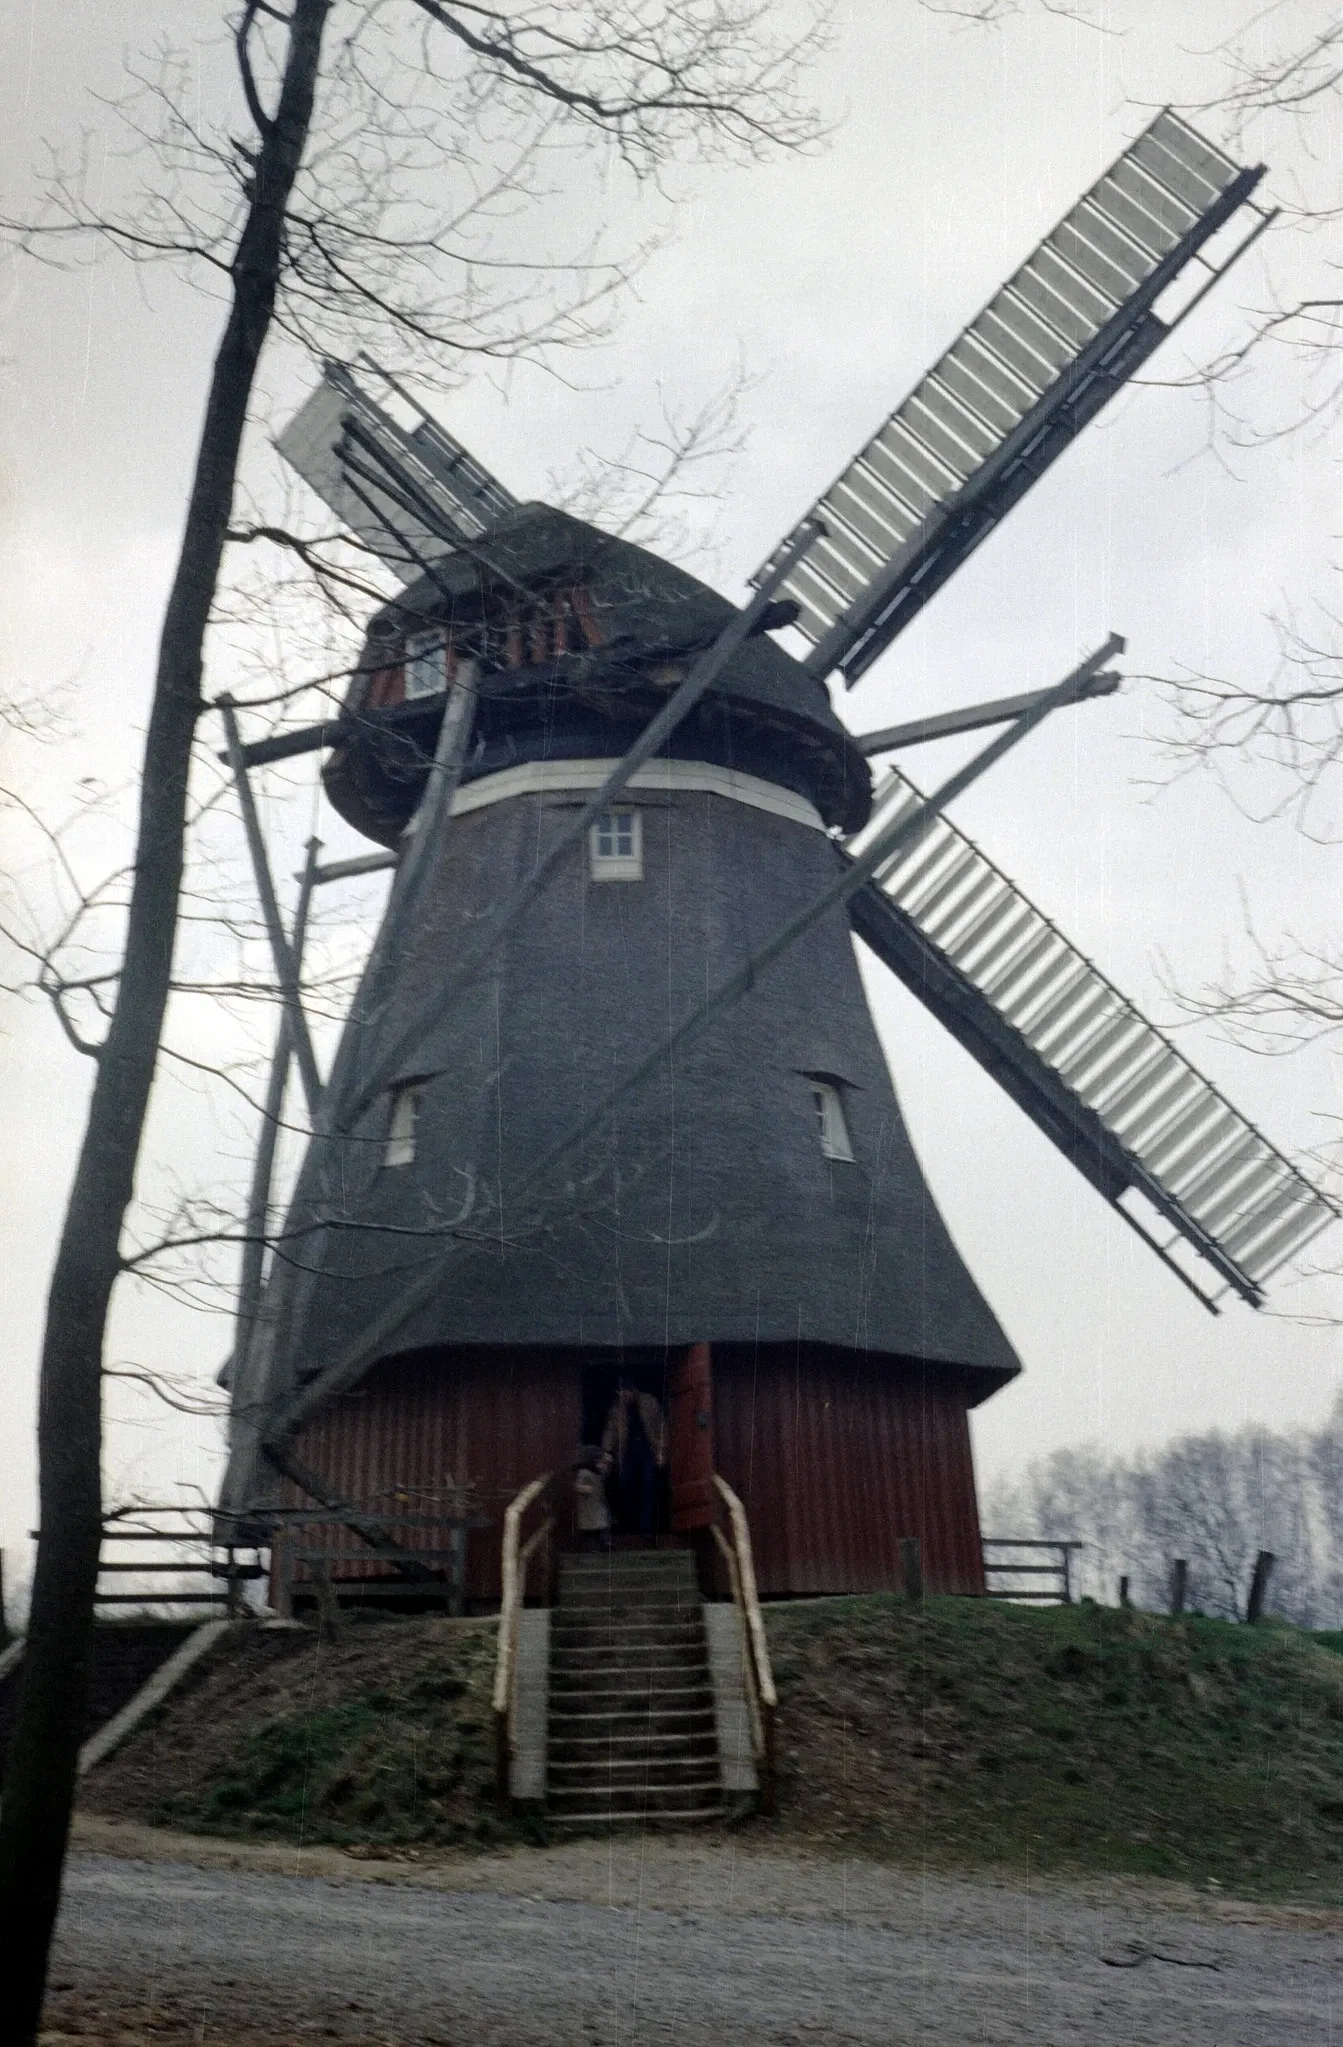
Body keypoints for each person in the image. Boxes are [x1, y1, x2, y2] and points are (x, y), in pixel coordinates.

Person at [601, 1385, 668, 1538]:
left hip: (648, 1451)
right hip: (627, 1453)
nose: (622, 1396)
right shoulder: (616, 1409)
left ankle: (646, 1527)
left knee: (648, 1485)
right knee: (626, 1485)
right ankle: (632, 1524)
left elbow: (661, 1426)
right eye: (619, 1393)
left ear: (631, 1390)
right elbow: (610, 1431)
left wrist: (661, 1451)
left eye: (624, 1392)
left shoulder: (649, 1402)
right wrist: (607, 1451)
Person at [572, 1444, 613, 1551]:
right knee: (591, 1530)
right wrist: (584, 1488)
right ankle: (592, 1547)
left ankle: (605, 1543)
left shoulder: (599, 1473)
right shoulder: (585, 1473)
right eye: (602, 1463)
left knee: (603, 1524)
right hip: (588, 1506)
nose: (604, 1466)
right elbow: (577, 1485)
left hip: (598, 1504)